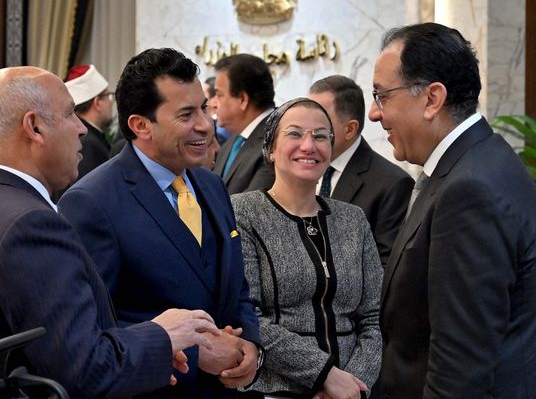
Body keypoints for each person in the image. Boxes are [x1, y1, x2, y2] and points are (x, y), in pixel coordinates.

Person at [0, 66, 223, 398]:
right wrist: (163, 335)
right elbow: (83, 371)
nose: (82, 128)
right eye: (70, 114)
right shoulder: (31, 224)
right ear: (34, 127)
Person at [58, 48, 262, 399]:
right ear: (140, 125)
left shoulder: (211, 185)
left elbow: (235, 286)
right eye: (186, 114)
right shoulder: (91, 202)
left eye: (204, 108)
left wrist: (250, 346)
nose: (205, 124)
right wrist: (194, 353)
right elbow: (91, 328)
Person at [370, 22, 536, 399]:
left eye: (382, 96)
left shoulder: (469, 190)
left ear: (432, 99)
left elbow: (460, 370)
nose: (374, 113)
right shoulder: (480, 159)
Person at [232, 97, 383, 399]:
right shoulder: (243, 212)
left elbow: (373, 318)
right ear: (271, 148)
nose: (309, 145)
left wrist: (353, 385)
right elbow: (248, 314)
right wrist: (325, 375)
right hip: (274, 390)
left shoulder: (353, 219)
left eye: (320, 136)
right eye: (295, 133)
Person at [309, 75, 414, 267]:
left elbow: (387, 267)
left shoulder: (392, 184)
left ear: (350, 129)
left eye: (318, 122)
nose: (308, 131)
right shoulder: (304, 168)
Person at [213, 54, 276, 194]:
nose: (214, 104)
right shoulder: (235, 138)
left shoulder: (274, 143)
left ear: (242, 99)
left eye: (219, 95)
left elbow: (254, 204)